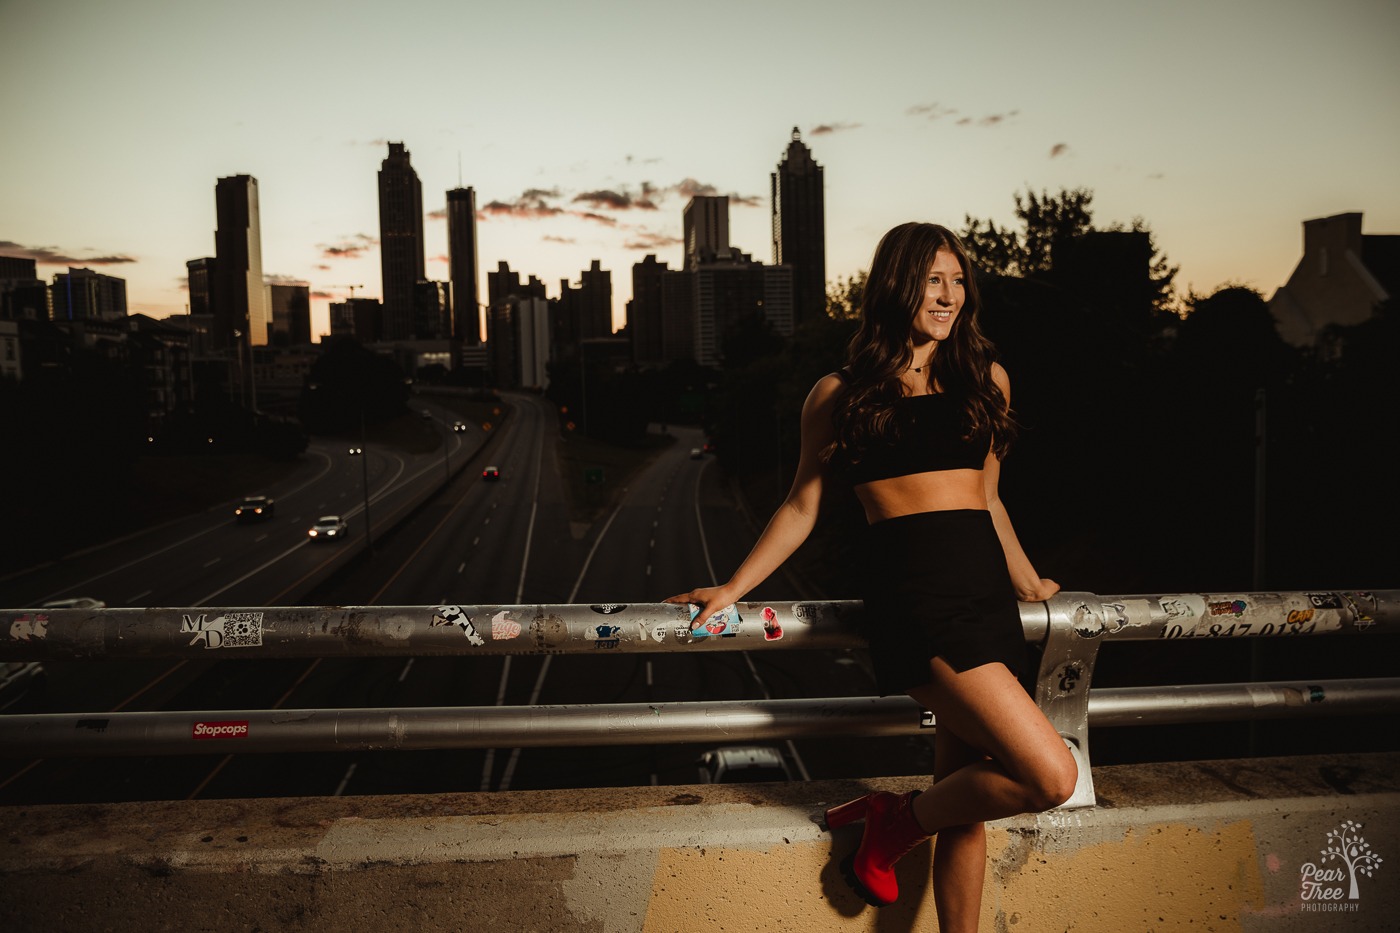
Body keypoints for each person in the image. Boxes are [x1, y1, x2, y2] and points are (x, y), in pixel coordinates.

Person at [666, 222, 1078, 930]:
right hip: (916, 605)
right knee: (1051, 775)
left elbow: (988, 497)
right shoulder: (840, 393)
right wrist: (734, 588)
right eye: (932, 280)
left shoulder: (987, 380)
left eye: (957, 281)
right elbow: (801, 505)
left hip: (984, 600)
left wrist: (1031, 583)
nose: (948, 296)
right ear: (897, 285)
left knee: (966, 795)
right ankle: (895, 820)